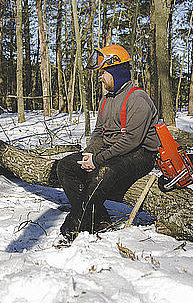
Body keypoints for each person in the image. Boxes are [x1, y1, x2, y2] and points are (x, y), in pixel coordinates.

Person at [56, 44, 160, 242]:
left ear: (116, 71)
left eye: (104, 72)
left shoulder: (138, 99)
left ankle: (72, 227)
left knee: (102, 172)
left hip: (140, 154)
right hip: (112, 150)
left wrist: (98, 159)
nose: (100, 77)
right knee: (66, 166)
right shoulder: (106, 99)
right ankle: (100, 219)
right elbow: (98, 133)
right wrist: (88, 155)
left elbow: (131, 140)